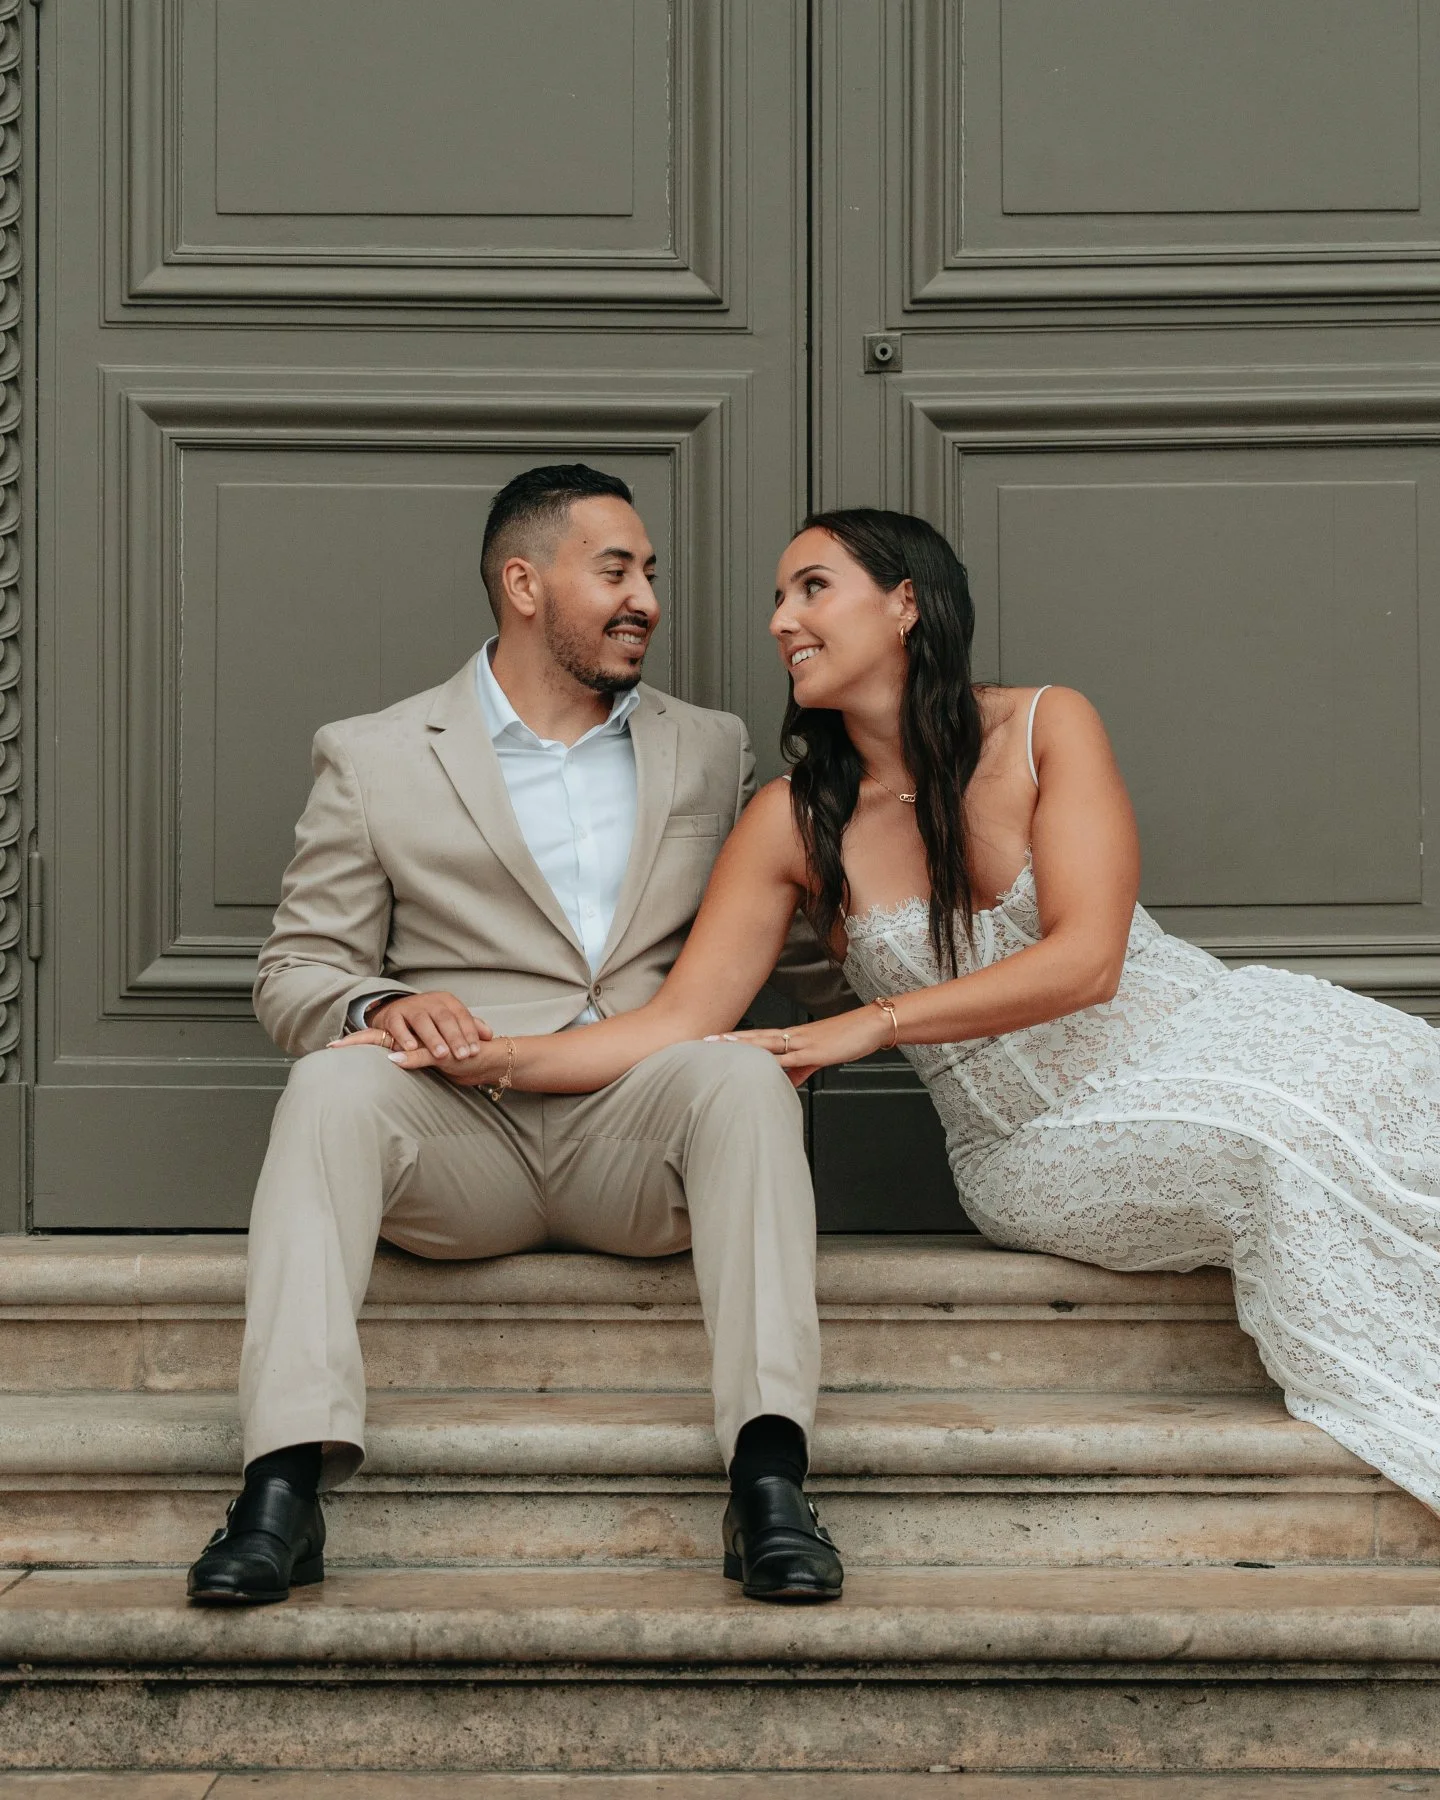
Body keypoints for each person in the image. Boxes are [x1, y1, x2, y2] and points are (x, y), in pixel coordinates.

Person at [370, 504, 1440, 1524]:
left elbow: (1088, 959)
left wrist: (869, 1025)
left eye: (813, 588)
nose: (782, 619)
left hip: (1203, 1030)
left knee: (1413, 1086)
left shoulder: (1044, 725)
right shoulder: (791, 821)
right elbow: (677, 1018)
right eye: (780, 597)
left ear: (906, 604)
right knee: (1275, 1152)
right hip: (1032, 1138)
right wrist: (494, 1054)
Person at [186, 464, 850, 1609]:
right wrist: (379, 1007)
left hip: (645, 1136)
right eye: (617, 570)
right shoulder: (377, 753)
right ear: (523, 582)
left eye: (651, 572)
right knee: (331, 1091)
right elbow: (295, 971)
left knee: (742, 1081)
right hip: (462, 1138)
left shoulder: (713, 747)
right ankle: (281, 1489)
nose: (647, 595)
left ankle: (770, 1481)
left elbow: (776, 953)